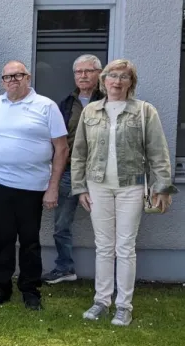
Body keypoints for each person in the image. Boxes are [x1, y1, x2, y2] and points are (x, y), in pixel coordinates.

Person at [71, 59, 176, 326]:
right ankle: (101, 301)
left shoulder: (144, 111)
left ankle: (123, 305)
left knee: (125, 247)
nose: (117, 81)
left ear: (131, 82)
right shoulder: (91, 111)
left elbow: (158, 152)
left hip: (131, 186)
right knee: (103, 247)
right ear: (103, 80)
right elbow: (79, 153)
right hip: (98, 186)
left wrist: (161, 186)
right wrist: (80, 187)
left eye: (124, 77)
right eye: (112, 76)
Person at [0, 60, 68, 311]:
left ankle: (30, 290)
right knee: (2, 239)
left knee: (30, 241)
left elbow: (61, 149)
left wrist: (52, 187)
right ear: (2, 81)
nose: (12, 81)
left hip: (32, 185)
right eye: (7, 77)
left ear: (28, 78)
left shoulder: (45, 106)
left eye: (18, 76)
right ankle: (1, 288)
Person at [43, 55, 105, 284]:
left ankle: (110, 273)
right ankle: (65, 268)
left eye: (88, 71)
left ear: (100, 73)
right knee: (61, 225)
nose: (83, 75)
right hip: (70, 172)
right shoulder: (67, 103)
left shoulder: (111, 101)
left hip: (102, 174)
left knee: (108, 225)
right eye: (78, 72)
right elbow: (57, 140)